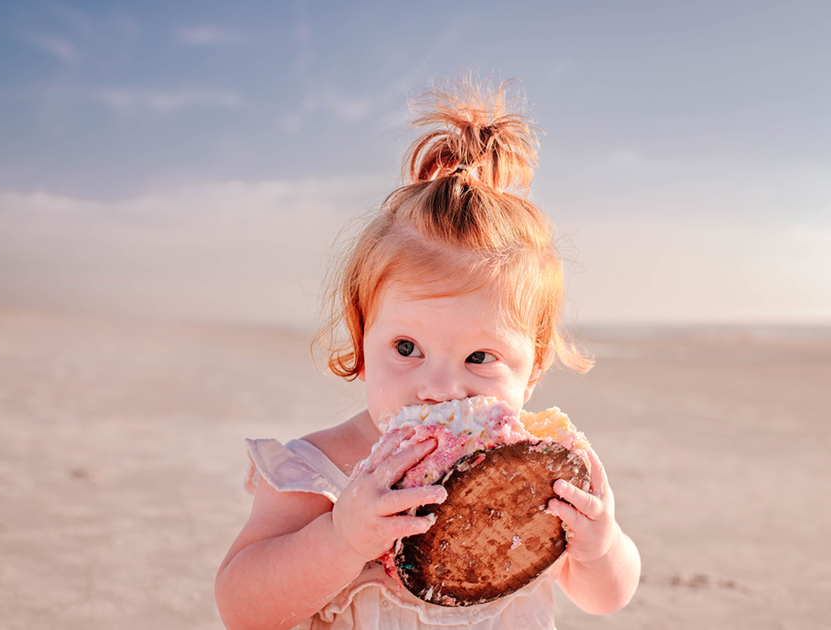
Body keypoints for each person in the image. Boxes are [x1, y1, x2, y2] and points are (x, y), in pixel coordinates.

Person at [215, 76, 641, 629]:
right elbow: (242, 609)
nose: (439, 387)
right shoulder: (320, 473)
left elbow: (606, 597)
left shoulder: (529, 474)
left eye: (480, 358)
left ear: (532, 369)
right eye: (407, 347)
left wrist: (598, 546)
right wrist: (340, 538)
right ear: (363, 343)